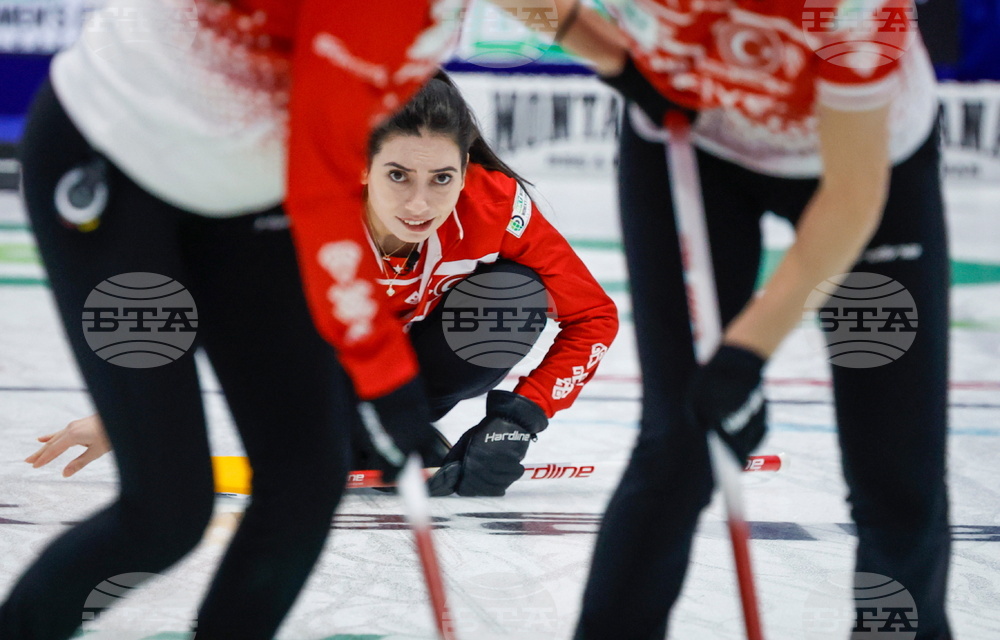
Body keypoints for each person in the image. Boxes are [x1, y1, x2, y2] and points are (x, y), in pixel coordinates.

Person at [1, 2, 495, 638]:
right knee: (164, 516)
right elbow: (325, 184)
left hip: (248, 182)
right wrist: (382, 368)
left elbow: (553, 14)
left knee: (305, 484)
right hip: (120, 160)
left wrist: (630, 67)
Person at [547, 1, 951, 638]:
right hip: (688, 134)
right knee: (681, 438)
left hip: (864, 161)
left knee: (896, 460)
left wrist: (745, 355)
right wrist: (613, 58)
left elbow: (851, 195)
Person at [25, 74, 619, 498]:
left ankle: (399, 423)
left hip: (414, 372)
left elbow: (595, 316)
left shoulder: (497, 205)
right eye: (397, 175)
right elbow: (206, 300)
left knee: (511, 297)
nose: (420, 203)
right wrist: (129, 413)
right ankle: (347, 425)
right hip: (318, 363)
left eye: (443, 178)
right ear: (362, 166)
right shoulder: (303, 205)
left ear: (467, 172)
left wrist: (519, 417)